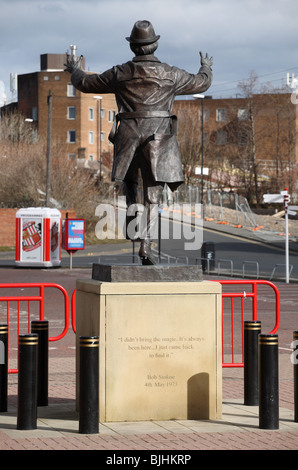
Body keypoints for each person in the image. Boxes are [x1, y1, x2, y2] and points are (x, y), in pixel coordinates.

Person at [65, 20, 213, 264]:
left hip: (129, 136)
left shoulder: (119, 73)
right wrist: (206, 67)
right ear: (154, 45)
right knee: (154, 194)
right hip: (159, 138)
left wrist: (74, 69)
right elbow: (203, 82)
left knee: (130, 182)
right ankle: (147, 243)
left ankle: (134, 229)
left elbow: (85, 83)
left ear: (133, 47)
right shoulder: (171, 73)